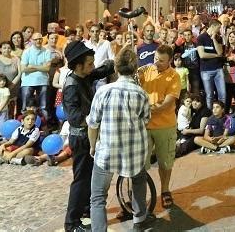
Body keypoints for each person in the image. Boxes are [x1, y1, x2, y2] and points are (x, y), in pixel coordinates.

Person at [88, 48, 153, 232]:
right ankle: (139, 220)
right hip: (135, 151)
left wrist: (93, 146)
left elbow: (93, 124)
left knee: (98, 196)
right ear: (135, 68)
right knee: (139, 181)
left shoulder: (103, 91)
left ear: (116, 68)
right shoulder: (141, 93)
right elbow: (146, 119)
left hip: (107, 150)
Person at [62, 40, 114, 232]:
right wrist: (95, 117)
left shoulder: (84, 74)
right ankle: (71, 223)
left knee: (90, 177)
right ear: (78, 65)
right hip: (81, 139)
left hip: (90, 137)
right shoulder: (71, 86)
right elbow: (74, 117)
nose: (92, 66)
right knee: (81, 180)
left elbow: (103, 69)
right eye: (89, 63)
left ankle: (86, 210)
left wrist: (121, 57)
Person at [139, 44, 181, 210]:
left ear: (170, 60)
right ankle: (139, 195)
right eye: (156, 58)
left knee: (165, 162)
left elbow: (167, 103)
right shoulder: (145, 70)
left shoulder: (174, 76)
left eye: (161, 61)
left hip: (165, 125)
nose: (157, 63)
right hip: (145, 127)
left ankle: (165, 190)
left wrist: (145, 109)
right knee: (141, 164)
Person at [20, 32, 51, 120]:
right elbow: (23, 69)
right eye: (36, 39)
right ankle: (24, 125)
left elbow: (47, 68)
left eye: (40, 39)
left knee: (43, 106)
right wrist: (41, 67)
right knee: (25, 106)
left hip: (43, 80)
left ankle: (44, 126)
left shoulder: (47, 51)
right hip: (27, 81)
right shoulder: (27, 51)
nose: (38, 41)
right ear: (31, 40)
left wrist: (32, 66)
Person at [197, 20, 225, 109]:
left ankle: (222, 113)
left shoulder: (218, 38)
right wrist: (215, 55)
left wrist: (214, 39)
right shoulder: (201, 38)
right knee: (209, 95)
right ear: (213, 26)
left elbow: (220, 52)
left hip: (218, 69)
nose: (219, 30)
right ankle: (210, 115)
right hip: (206, 70)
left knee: (222, 94)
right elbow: (202, 55)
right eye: (218, 28)